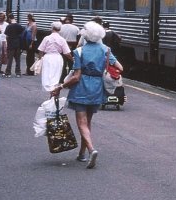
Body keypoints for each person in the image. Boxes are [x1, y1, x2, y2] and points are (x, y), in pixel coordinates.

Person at [51, 21, 122, 169]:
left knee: (81, 123)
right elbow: (119, 67)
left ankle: (91, 150)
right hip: (97, 88)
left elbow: (76, 76)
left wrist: (61, 86)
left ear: (85, 35)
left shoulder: (79, 51)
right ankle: (82, 154)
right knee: (88, 123)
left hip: (81, 88)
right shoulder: (106, 50)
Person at [36, 21, 73, 91]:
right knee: (56, 75)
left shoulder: (46, 38)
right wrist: (72, 59)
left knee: (47, 75)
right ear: (60, 29)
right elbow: (67, 53)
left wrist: (40, 58)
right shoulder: (62, 40)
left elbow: (41, 50)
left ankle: (50, 90)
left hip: (48, 57)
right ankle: (54, 92)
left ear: (52, 28)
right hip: (57, 58)